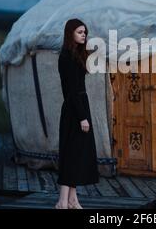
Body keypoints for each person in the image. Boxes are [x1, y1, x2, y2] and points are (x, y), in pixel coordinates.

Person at [55, 18, 99, 209]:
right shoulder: (66, 57)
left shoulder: (74, 54)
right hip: (75, 109)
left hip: (80, 105)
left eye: (85, 32)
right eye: (80, 32)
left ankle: (72, 199)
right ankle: (62, 202)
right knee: (71, 155)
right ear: (70, 33)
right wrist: (82, 117)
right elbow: (72, 91)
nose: (84, 35)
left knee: (77, 154)